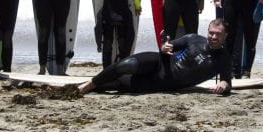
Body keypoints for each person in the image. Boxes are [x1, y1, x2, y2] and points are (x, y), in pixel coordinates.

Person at [78, 19, 231, 95]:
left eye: (218, 34)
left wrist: (223, 86)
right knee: (126, 65)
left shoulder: (223, 58)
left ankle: (81, 86)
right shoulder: (194, 38)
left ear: (225, 36)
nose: (213, 37)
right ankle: (88, 84)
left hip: (163, 82)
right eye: (211, 32)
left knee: (117, 85)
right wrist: (165, 46)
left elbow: (226, 80)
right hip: (159, 62)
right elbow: (168, 46)